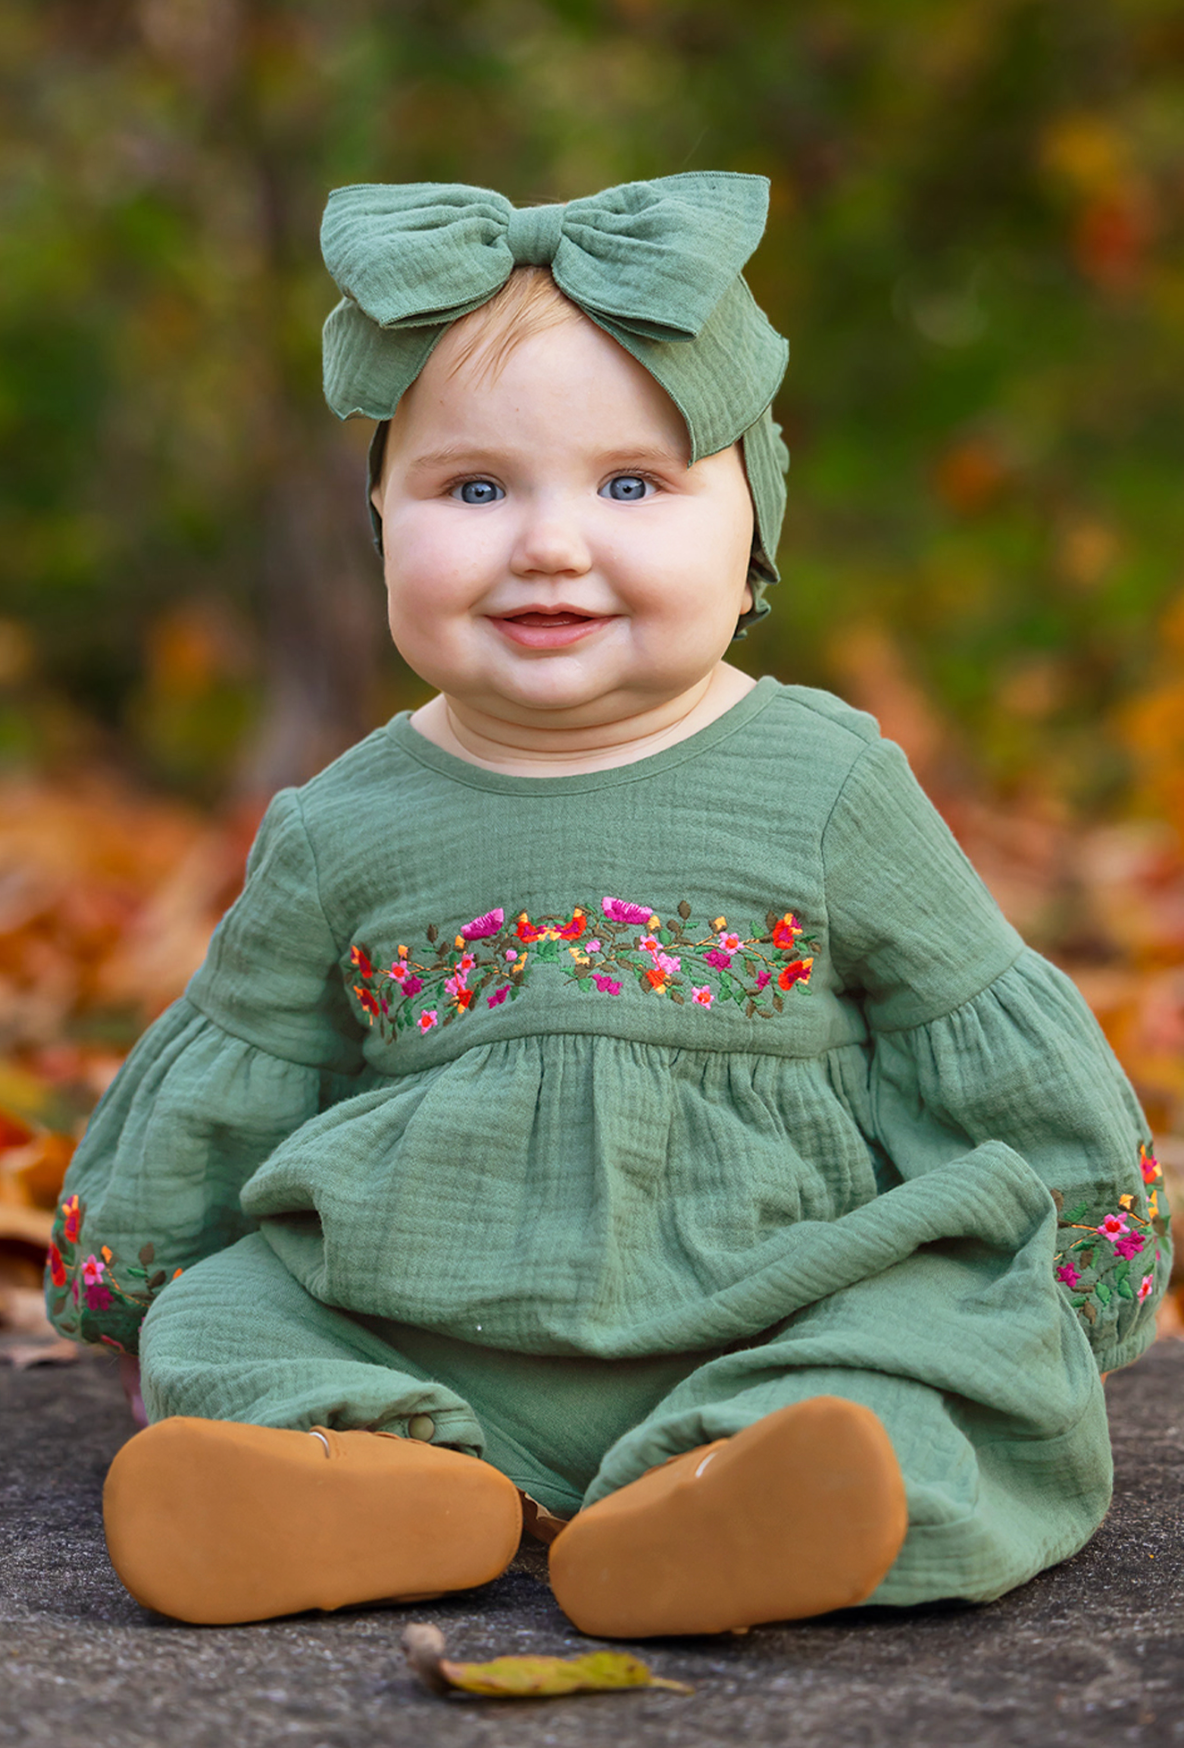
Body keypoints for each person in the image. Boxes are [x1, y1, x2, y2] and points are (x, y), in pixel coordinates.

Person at [46, 173, 1170, 1638]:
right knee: (240, 1318)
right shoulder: (341, 827)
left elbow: (978, 1028)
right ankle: (374, 1479)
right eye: (473, 488)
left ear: (751, 516)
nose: (551, 544)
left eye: (632, 484)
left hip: (779, 1305)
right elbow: (238, 1074)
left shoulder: (826, 780)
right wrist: (148, 1290)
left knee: (932, 1334)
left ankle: (744, 1499)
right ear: (380, 516)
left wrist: (1079, 1252)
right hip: (420, 1323)